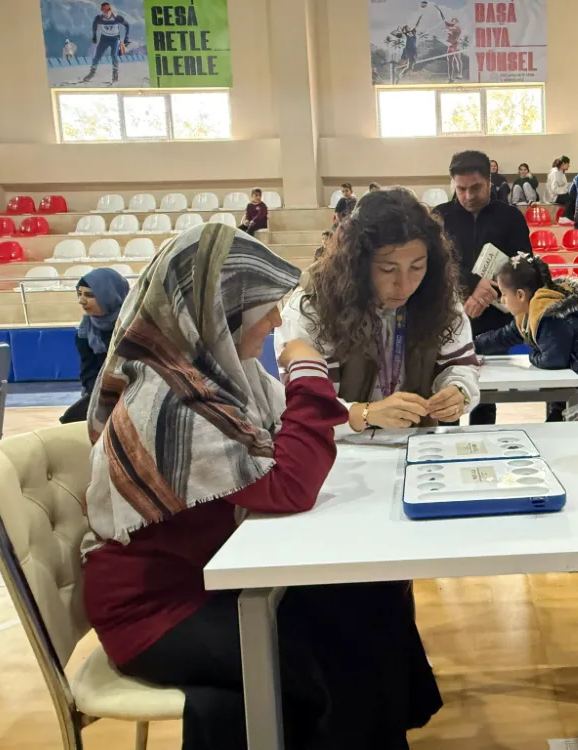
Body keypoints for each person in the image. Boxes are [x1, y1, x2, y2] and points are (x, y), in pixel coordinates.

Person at [82, 223, 442, 749]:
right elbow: (289, 485)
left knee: (371, 596)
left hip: (216, 576)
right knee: (334, 656)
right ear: (220, 312)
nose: (276, 320)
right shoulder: (172, 401)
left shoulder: (223, 378)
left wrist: (320, 398)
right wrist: (308, 370)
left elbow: (295, 441)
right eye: (264, 307)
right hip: (160, 609)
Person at [279, 188, 480, 430]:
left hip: (414, 442)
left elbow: (461, 366)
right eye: (388, 269)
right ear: (357, 264)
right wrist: (364, 414)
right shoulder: (312, 305)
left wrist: (458, 390)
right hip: (336, 446)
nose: (404, 285)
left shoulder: (438, 295)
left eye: (417, 267)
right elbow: (307, 405)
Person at [434, 150, 532, 425]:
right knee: (446, 395)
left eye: (475, 187)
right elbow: (433, 265)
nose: (467, 196)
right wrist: (472, 286)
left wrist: (492, 291)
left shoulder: (511, 217)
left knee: (486, 399)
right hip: (448, 319)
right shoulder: (439, 217)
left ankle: (485, 443)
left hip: (493, 322)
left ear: (490, 180)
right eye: (461, 189)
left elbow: (525, 266)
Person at [474, 254, 578, 421]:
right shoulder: (529, 315)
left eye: (504, 294)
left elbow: (553, 360)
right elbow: (503, 336)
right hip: (569, 393)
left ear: (520, 295)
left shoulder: (551, 317)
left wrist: (531, 356)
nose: (502, 300)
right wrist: (473, 346)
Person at [59, 268, 129, 425]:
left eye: (89, 295)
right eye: (80, 294)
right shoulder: (85, 330)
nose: (81, 301)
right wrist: (101, 395)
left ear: (109, 295)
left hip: (135, 389)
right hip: (102, 391)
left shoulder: (133, 324)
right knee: (71, 420)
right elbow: (88, 371)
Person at [83, 2, 128, 85]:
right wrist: (94, 36)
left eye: (107, 11)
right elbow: (94, 26)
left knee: (113, 55)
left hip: (115, 39)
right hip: (104, 39)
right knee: (97, 55)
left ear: (110, 10)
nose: (106, 13)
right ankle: (92, 72)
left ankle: (115, 73)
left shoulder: (117, 18)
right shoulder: (99, 18)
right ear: (102, 11)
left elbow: (127, 25)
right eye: (104, 11)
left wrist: (126, 37)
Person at [544, 156, 575, 224]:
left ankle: (569, 217)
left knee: (574, 197)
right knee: (571, 199)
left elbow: (565, 186)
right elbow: (554, 189)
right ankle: (565, 217)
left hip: (560, 193)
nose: (569, 166)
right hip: (554, 196)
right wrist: (565, 191)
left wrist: (565, 190)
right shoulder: (555, 172)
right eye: (568, 164)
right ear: (563, 163)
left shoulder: (561, 172)